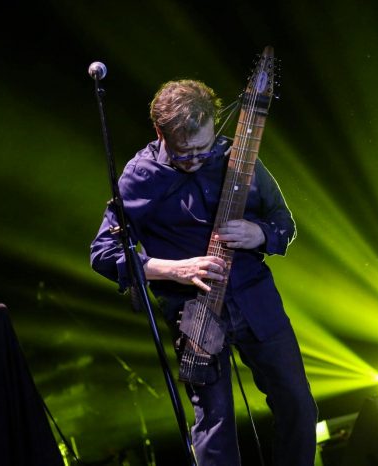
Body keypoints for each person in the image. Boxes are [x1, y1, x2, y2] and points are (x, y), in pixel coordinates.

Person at [90, 79, 317, 465]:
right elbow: (103, 253)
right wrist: (172, 269)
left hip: (253, 297)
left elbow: (283, 223)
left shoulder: (235, 158)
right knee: (215, 424)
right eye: (184, 153)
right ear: (161, 133)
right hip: (192, 313)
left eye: (204, 148)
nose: (196, 159)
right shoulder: (138, 176)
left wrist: (258, 232)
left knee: (298, 404)